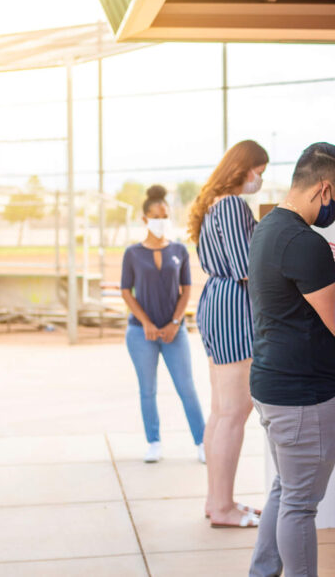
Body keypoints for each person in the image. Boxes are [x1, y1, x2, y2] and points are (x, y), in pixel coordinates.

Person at [247, 143, 335, 577]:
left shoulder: (268, 228)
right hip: (303, 397)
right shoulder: (304, 243)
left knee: (285, 490)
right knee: (300, 505)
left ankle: (263, 571)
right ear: (324, 188)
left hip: (272, 387)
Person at [188, 139, 270, 529]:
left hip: (216, 303)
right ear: (245, 168)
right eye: (260, 171)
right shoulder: (234, 205)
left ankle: (218, 500)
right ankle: (222, 506)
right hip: (235, 306)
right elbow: (246, 266)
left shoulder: (212, 206)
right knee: (235, 412)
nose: (260, 179)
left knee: (222, 411)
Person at [120, 185, 205, 464]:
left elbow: (186, 289)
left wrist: (174, 323)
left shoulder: (179, 250)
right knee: (148, 389)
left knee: (186, 387)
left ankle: (202, 442)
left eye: (165, 216)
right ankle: (154, 442)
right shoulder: (132, 253)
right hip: (140, 333)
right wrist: (145, 323)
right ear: (145, 219)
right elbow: (126, 291)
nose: (162, 221)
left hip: (174, 333)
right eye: (156, 216)